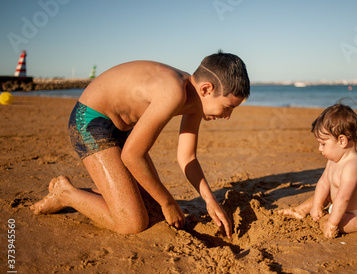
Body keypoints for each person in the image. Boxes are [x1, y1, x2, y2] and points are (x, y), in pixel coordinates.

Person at [30, 51, 250, 238]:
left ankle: (115, 193)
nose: (228, 116)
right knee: (132, 223)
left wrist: (209, 199)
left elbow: (187, 158)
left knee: (153, 212)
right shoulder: (173, 91)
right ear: (206, 89)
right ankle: (66, 194)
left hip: (122, 131)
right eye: (227, 107)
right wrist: (168, 202)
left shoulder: (194, 100)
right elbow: (132, 156)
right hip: (89, 121)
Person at [278, 103, 357, 238]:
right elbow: (323, 183)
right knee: (323, 195)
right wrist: (316, 206)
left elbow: (343, 198)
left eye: (323, 144)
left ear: (342, 141)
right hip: (339, 205)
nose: (320, 148)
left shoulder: (352, 165)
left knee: (325, 221)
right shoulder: (333, 160)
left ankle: (330, 218)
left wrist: (331, 223)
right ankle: (301, 210)